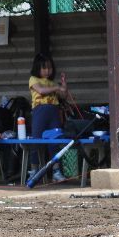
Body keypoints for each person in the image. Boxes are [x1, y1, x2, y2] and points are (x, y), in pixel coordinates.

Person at [28, 53, 68, 182]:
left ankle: (56, 171)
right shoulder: (33, 79)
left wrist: (64, 85)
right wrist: (57, 87)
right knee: (36, 141)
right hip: (40, 112)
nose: (47, 71)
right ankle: (34, 171)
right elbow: (41, 90)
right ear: (37, 68)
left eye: (49, 68)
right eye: (44, 68)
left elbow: (63, 96)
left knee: (54, 141)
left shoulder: (52, 83)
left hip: (54, 112)